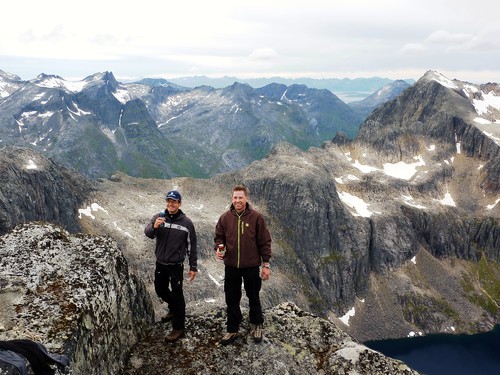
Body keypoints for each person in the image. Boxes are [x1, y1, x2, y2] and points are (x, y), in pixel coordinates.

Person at [214, 185, 272, 345]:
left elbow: (265, 241)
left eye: (240, 197)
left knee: (253, 295)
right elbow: (219, 238)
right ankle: (232, 328)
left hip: (252, 266)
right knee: (231, 298)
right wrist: (218, 249)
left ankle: (257, 324)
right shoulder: (225, 218)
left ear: (246, 198)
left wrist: (265, 264)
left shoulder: (256, 217)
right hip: (231, 265)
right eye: (235, 198)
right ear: (232, 199)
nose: (237, 200)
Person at [144, 190, 198, 343]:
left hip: (176, 265)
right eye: (168, 201)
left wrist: (193, 267)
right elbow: (148, 233)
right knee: (160, 290)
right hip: (160, 263)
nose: (170, 204)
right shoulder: (159, 217)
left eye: (174, 201)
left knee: (177, 294)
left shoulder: (186, 223)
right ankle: (174, 308)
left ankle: (178, 328)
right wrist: (154, 226)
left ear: (179, 203)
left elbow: (191, 246)